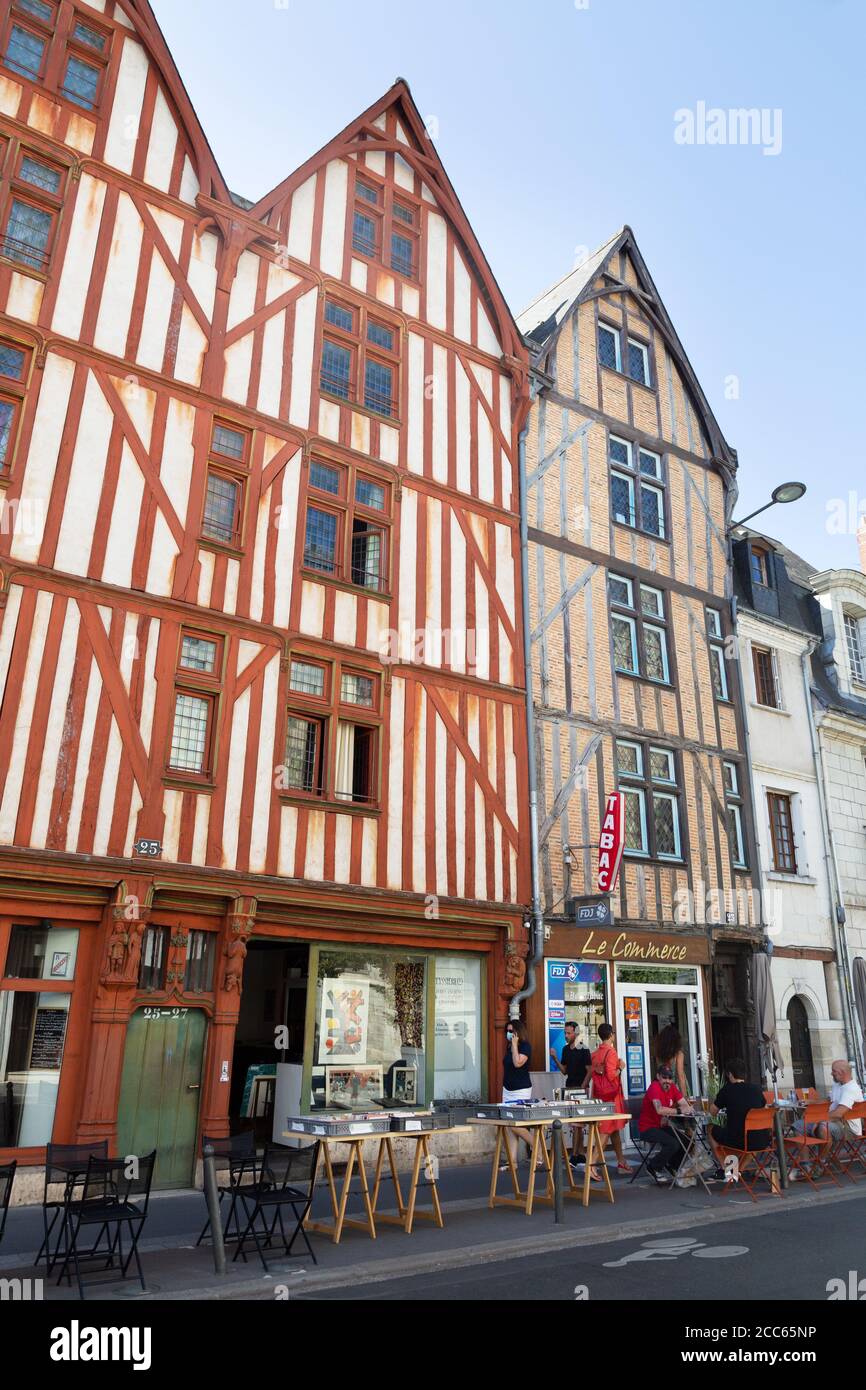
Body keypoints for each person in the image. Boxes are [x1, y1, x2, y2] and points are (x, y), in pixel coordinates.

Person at [709, 1057, 772, 1164]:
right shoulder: (756, 1089)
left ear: (729, 1074)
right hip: (762, 1140)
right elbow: (765, 1110)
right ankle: (738, 1172)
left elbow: (712, 1112)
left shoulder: (727, 1090)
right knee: (751, 1135)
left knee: (710, 1129)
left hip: (738, 1140)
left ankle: (727, 1168)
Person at [588, 1022, 631, 1174]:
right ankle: (592, 1165)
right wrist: (621, 1067)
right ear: (611, 1035)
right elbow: (612, 1075)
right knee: (607, 1129)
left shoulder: (595, 1053)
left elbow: (594, 1071)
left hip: (600, 1094)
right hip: (611, 1096)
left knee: (613, 1130)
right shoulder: (611, 1052)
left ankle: (621, 1161)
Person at [638, 1064, 693, 1183]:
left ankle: (671, 1165)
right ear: (658, 1076)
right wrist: (678, 1110)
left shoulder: (672, 1087)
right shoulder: (654, 1087)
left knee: (688, 1142)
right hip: (647, 1128)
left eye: (669, 1077)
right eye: (664, 1077)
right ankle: (653, 1167)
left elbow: (684, 1104)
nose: (667, 1080)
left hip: (661, 1126)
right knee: (673, 1144)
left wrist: (686, 1108)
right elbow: (659, 1109)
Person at [501, 1017, 537, 1169]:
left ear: (517, 1032)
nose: (508, 1034)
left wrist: (515, 1045)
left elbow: (517, 1063)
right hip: (508, 1090)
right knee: (509, 1127)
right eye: (507, 1032)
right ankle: (512, 1161)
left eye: (511, 1031)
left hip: (520, 1091)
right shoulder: (509, 1047)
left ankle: (538, 1148)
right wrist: (512, 1046)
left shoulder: (525, 1046)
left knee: (516, 1125)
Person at [550, 1021, 591, 1089]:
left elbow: (589, 1072)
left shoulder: (584, 1049)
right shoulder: (565, 1049)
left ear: (576, 1034)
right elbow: (564, 1071)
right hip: (569, 1087)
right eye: (565, 1033)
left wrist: (582, 1087)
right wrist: (555, 1058)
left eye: (569, 1033)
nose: (566, 1036)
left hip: (581, 1088)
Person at [653, 1022, 689, 1098]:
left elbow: (658, 1069)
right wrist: (685, 1097)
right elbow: (680, 1076)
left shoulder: (658, 1053)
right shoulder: (678, 1054)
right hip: (673, 1088)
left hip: (660, 1087)